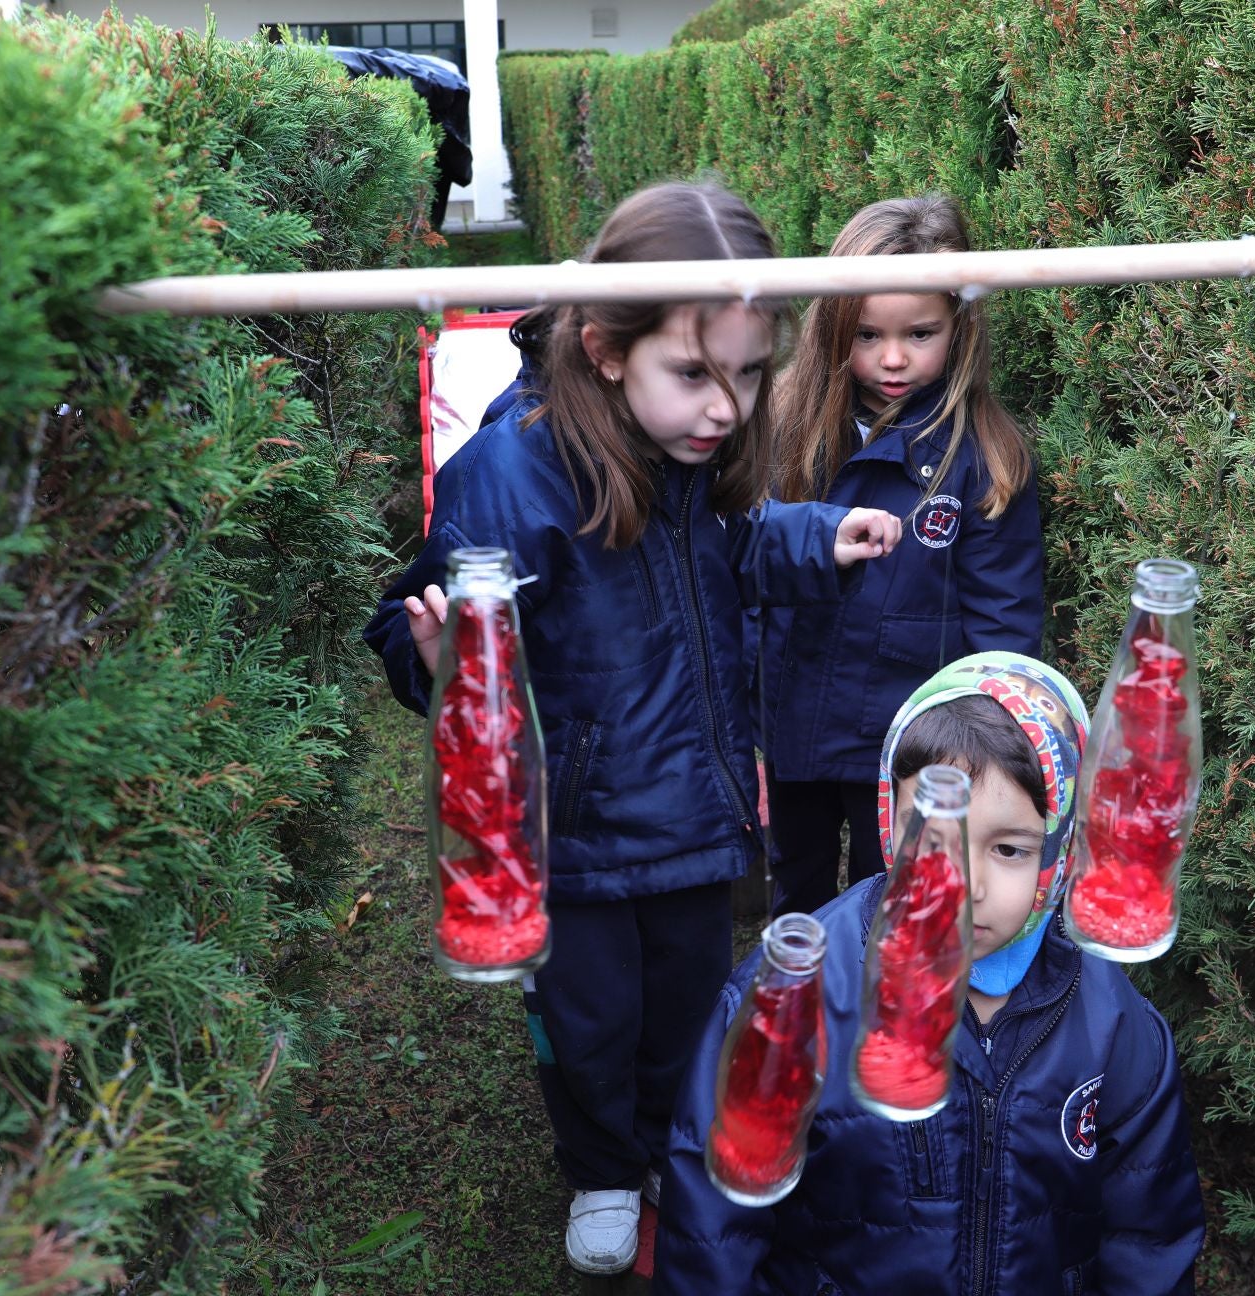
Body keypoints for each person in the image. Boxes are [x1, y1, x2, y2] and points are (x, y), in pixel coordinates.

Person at [363, 182, 902, 1276]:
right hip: (576, 833)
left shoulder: (702, 464)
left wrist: (818, 537)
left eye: (750, 375)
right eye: (695, 374)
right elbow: (421, 629)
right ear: (607, 349)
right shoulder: (508, 481)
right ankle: (605, 1161)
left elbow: (744, 545)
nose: (727, 407)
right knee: (593, 1020)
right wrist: (434, 657)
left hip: (697, 813)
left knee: (690, 1008)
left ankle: (672, 1145)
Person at [657, 653, 1206, 1294]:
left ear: (1061, 850)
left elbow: (1148, 1237)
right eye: (935, 840)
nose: (963, 885)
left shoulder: (1113, 1023)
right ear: (892, 826)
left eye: (1008, 849)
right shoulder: (798, 995)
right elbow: (715, 1224)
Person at [760, 194, 1044, 917]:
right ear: (832, 328)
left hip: (913, 747)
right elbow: (744, 579)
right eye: (866, 334)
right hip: (794, 730)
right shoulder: (787, 429)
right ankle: (804, 1019)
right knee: (797, 895)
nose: (892, 358)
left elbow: (1003, 625)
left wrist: (985, 752)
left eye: (920, 333)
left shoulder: (986, 455)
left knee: (897, 901)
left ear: (960, 326)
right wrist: (742, 727)